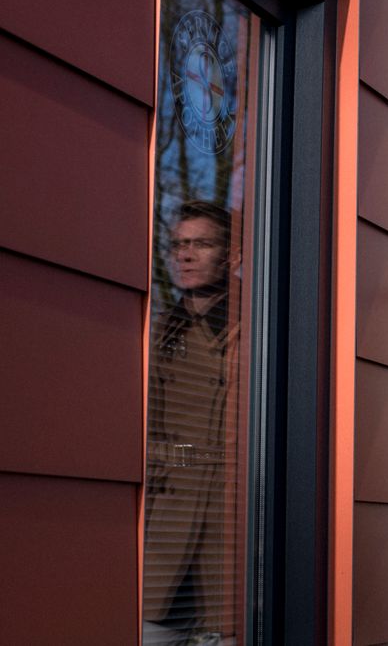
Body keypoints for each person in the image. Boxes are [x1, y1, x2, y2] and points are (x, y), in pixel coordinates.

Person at [144, 201, 238, 646]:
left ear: (232, 256)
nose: (184, 255)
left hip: (231, 520)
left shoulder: (259, 324)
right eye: (178, 245)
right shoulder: (159, 328)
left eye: (201, 244)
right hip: (167, 516)